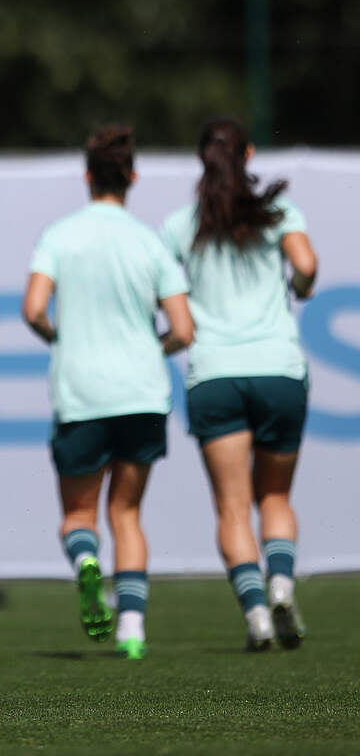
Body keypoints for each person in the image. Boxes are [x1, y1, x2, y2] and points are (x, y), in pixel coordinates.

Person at [22, 125, 194, 660]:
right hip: (142, 393)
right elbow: (184, 330)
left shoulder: (60, 235)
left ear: (87, 174)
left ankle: (84, 563)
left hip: (82, 391)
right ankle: (133, 630)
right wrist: (150, 349)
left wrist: (60, 338)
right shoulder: (150, 241)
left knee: (80, 517)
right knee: (128, 514)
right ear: (133, 176)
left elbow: (32, 309)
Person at [159, 117, 318, 651]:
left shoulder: (181, 225)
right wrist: (298, 285)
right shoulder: (278, 213)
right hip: (278, 368)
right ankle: (280, 582)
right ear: (249, 154)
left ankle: (255, 614)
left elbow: (163, 299)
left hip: (215, 374)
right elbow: (307, 266)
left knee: (232, 506)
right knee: (275, 494)